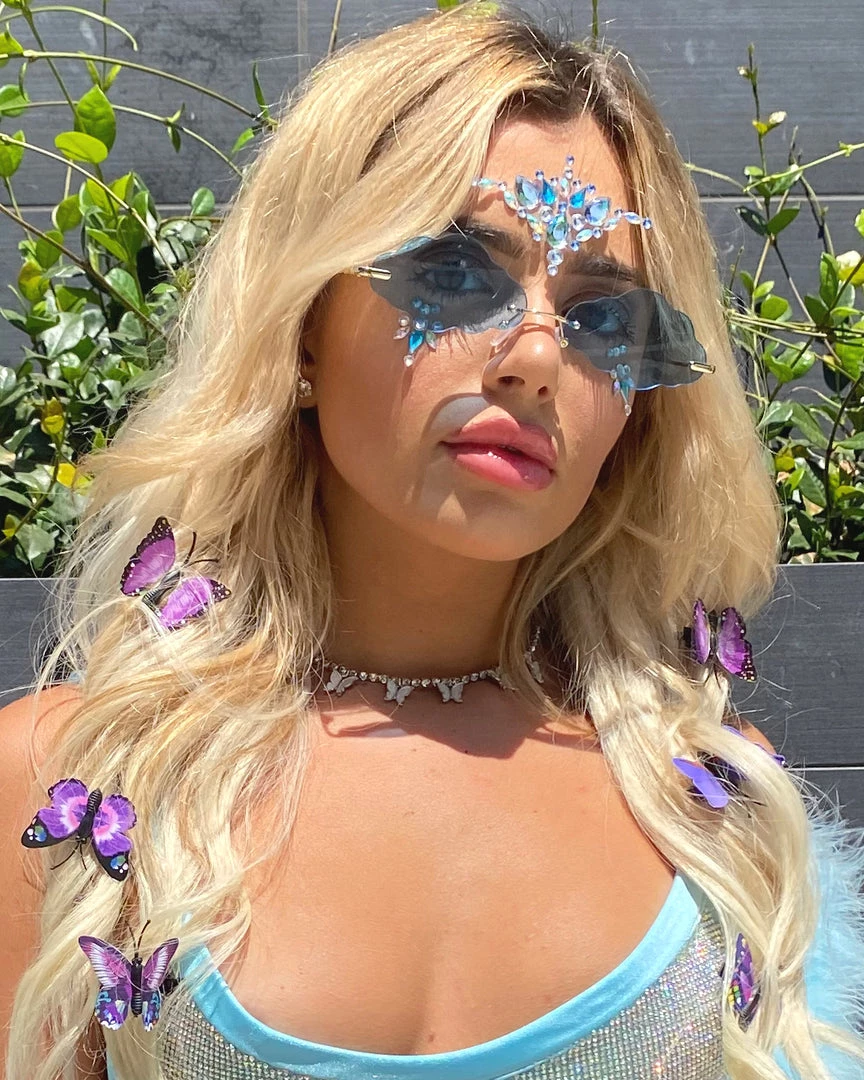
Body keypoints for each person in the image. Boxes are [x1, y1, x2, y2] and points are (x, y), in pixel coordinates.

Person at [1, 4, 862, 1079]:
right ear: (301, 325)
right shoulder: (74, 780)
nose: (535, 359)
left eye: (605, 319)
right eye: (456, 276)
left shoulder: (711, 808)